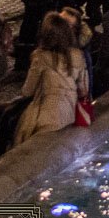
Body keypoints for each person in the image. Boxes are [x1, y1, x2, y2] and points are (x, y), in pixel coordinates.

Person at [13, 12, 89, 145]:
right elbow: (84, 90)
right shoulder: (77, 55)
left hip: (47, 118)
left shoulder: (40, 57)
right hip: (71, 115)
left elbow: (27, 91)